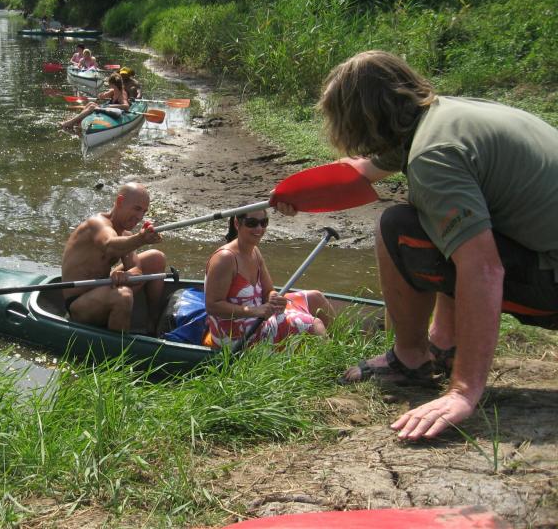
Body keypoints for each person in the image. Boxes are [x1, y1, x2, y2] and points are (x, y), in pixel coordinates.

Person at [277, 50, 558, 441]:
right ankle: (444, 344)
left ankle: (411, 359)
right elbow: (363, 171)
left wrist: (464, 392)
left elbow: (483, 268)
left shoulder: (432, 156)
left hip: (550, 284)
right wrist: (292, 195)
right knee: (440, 223)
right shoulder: (446, 116)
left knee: (398, 226)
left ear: (359, 121)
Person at [203, 209, 333, 349]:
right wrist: (254, 311)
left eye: (263, 223)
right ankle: (332, 359)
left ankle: (340, 346)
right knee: (314, 324)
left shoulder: (255, 251)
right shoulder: (224, 258)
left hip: (260, 315)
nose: (259, 228)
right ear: (237, 223)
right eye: (252, 223)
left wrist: (275, 298)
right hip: (235, 335)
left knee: (316, 297)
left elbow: (268, 291)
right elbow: (212, 306)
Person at [61, 182, 166, 333]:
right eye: (137, 209)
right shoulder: (97, 224)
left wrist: (127, 275)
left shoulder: (125, 234)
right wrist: (141, 239)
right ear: (120, 201)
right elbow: (109, 245)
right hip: (79, 304)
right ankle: (120, 345)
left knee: (156, 258)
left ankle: (153, 326)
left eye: (144, 211)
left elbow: (137, 270)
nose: (140, 217)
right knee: (123, 296)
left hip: (103, 289)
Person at [59, 73, 129, 131]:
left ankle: (70, 123)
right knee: (91, 103)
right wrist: (101, 95)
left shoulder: (122, 94)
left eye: (110, 84)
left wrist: (110, 106)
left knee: (92, 107)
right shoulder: (113, 91)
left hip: (114, 112)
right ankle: (76, 122)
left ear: (113, 84)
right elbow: (102, 96)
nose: (109, 85)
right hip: (108, 109)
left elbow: (126, 106)